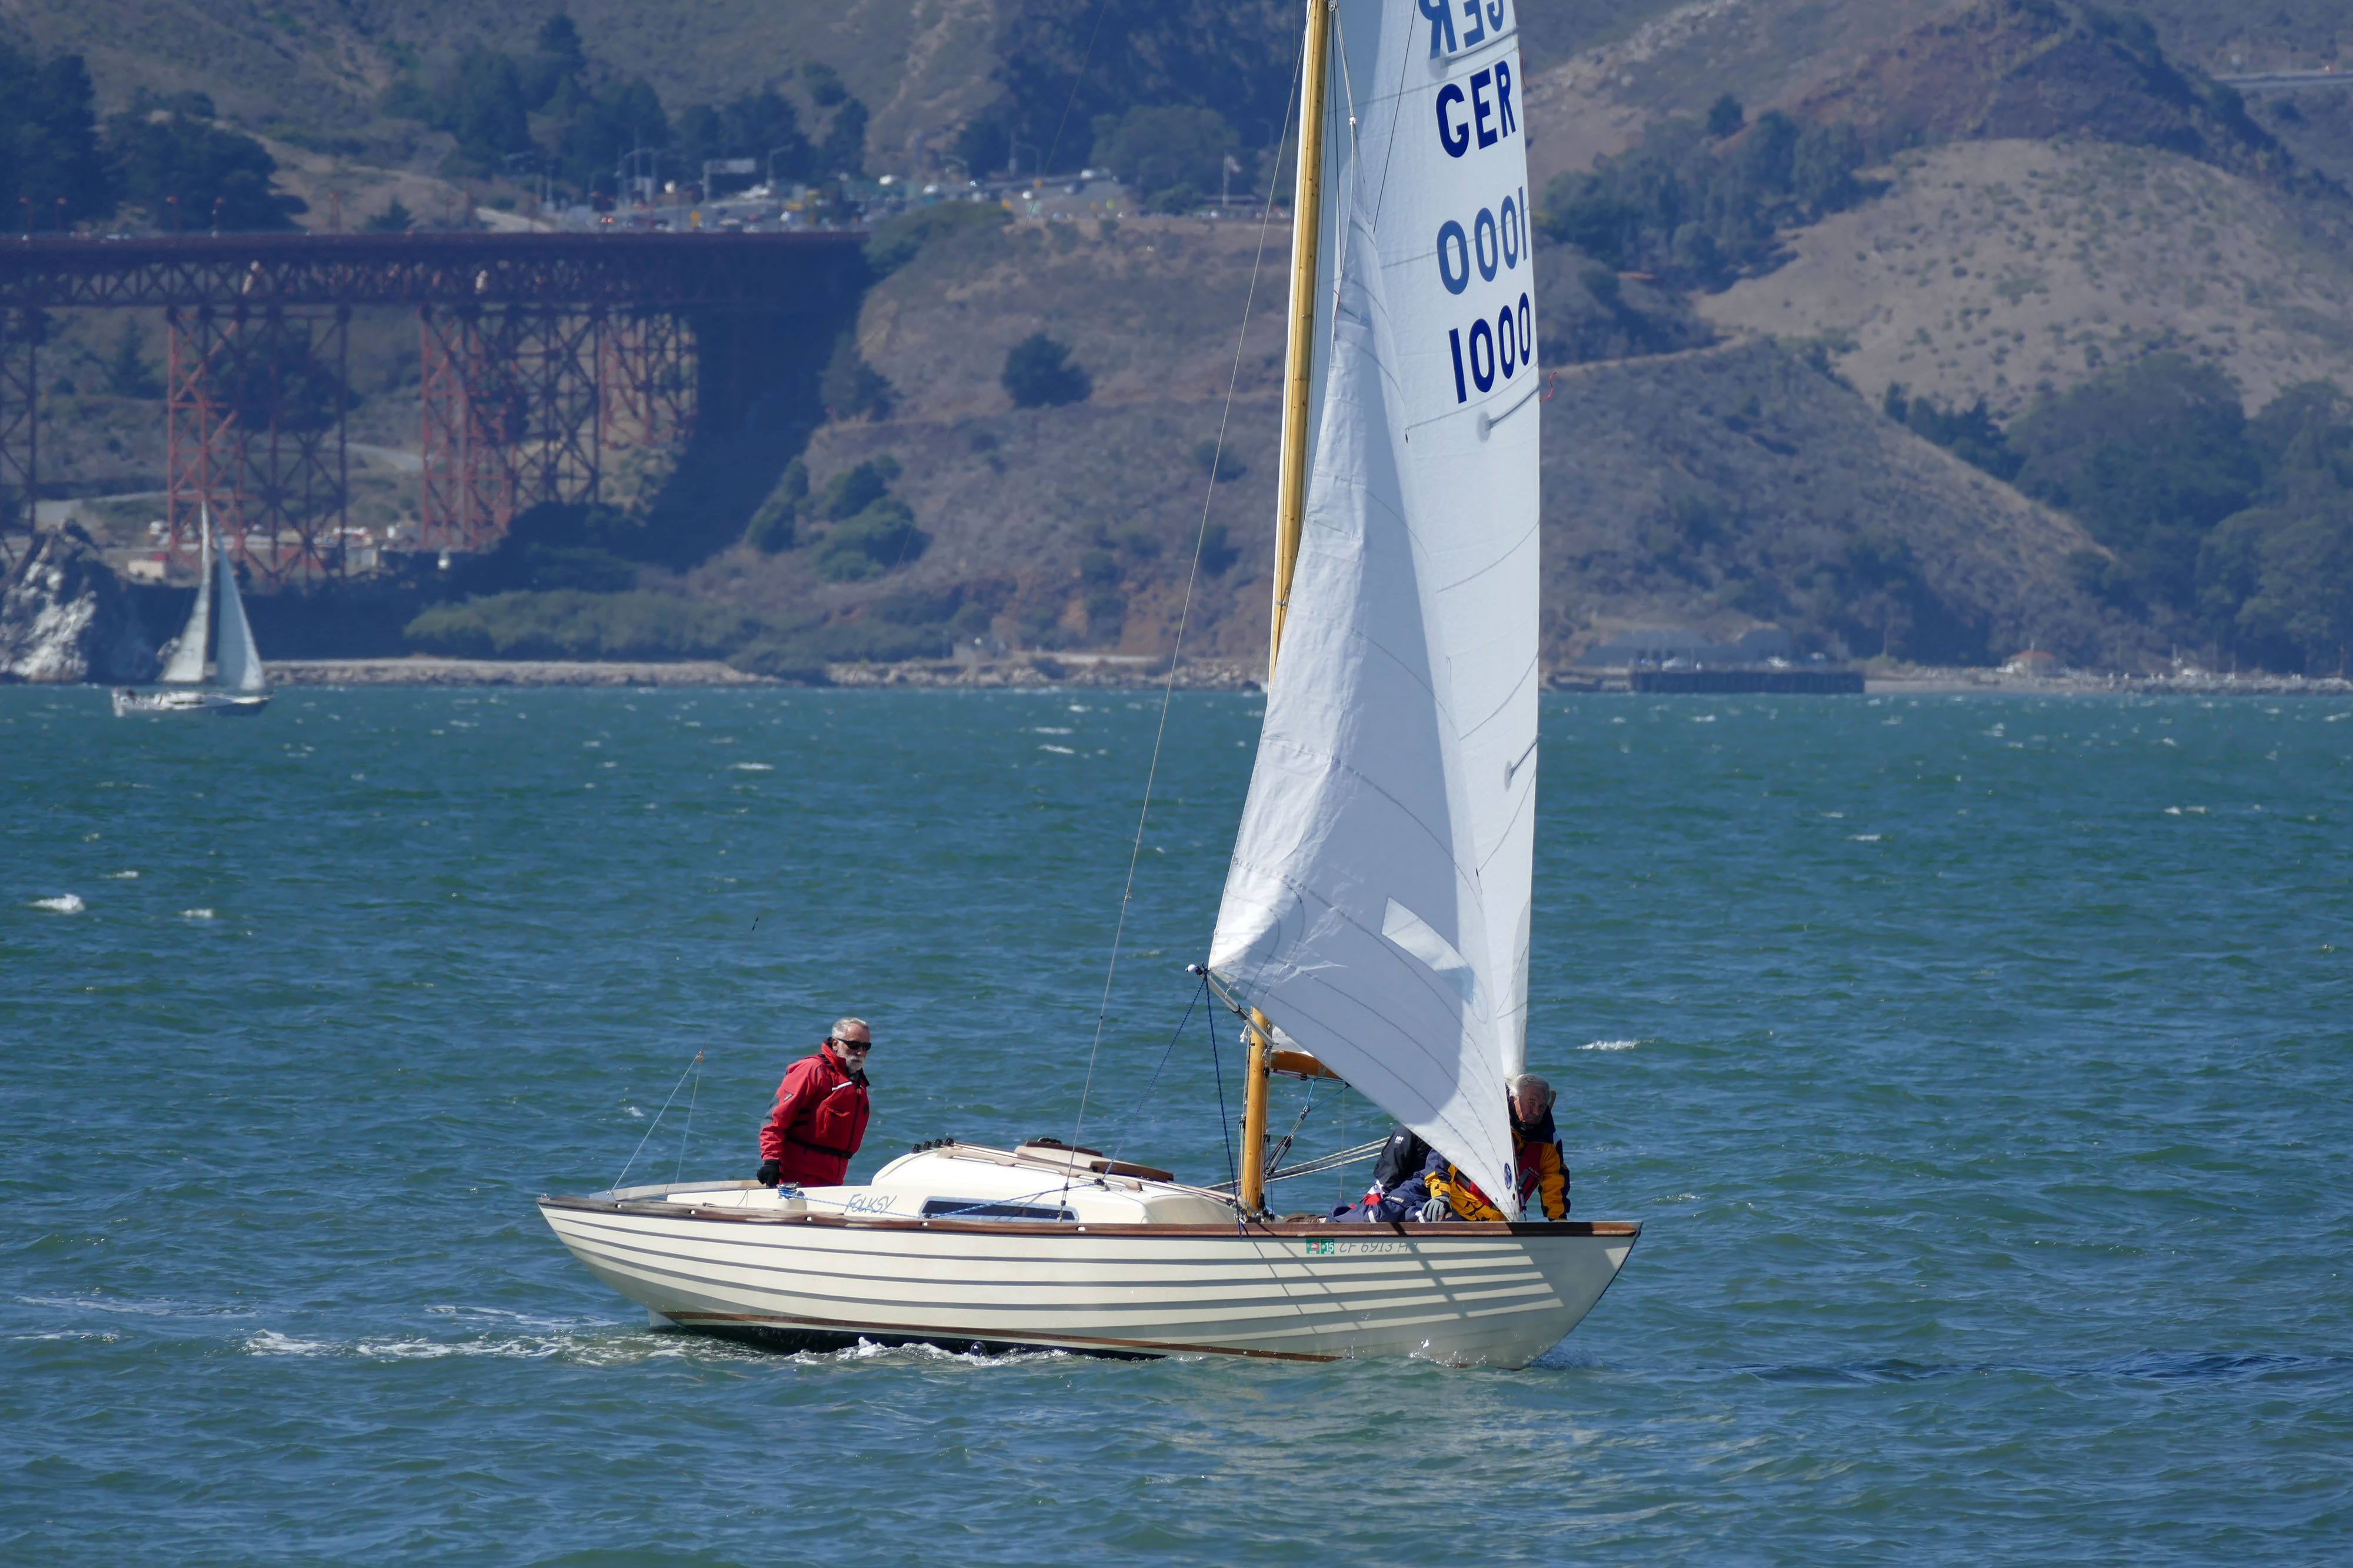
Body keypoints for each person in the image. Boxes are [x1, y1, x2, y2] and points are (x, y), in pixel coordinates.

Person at [1419, 1073, 1570, 1222]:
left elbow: (1555, 1184)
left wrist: (1559, 1221)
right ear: (1514, 1099)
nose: (1536, 1112)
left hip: (1496, 1222)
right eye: (1531, 1103)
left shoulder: (1549, 1144)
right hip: (1451, 1204)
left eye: (1542, 1107)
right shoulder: (1481, 1121)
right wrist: (1441, 1196)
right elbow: (1443, 1155)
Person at [755, 1017, 874, 1188]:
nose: (860, 1052)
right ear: (836, 1044)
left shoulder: (856, 1079)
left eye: (866, 1047)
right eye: (854, 1045)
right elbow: (775, 1119)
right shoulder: (812, 1070)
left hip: (833, 1181)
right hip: (795, 1179)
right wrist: (771, 1161)